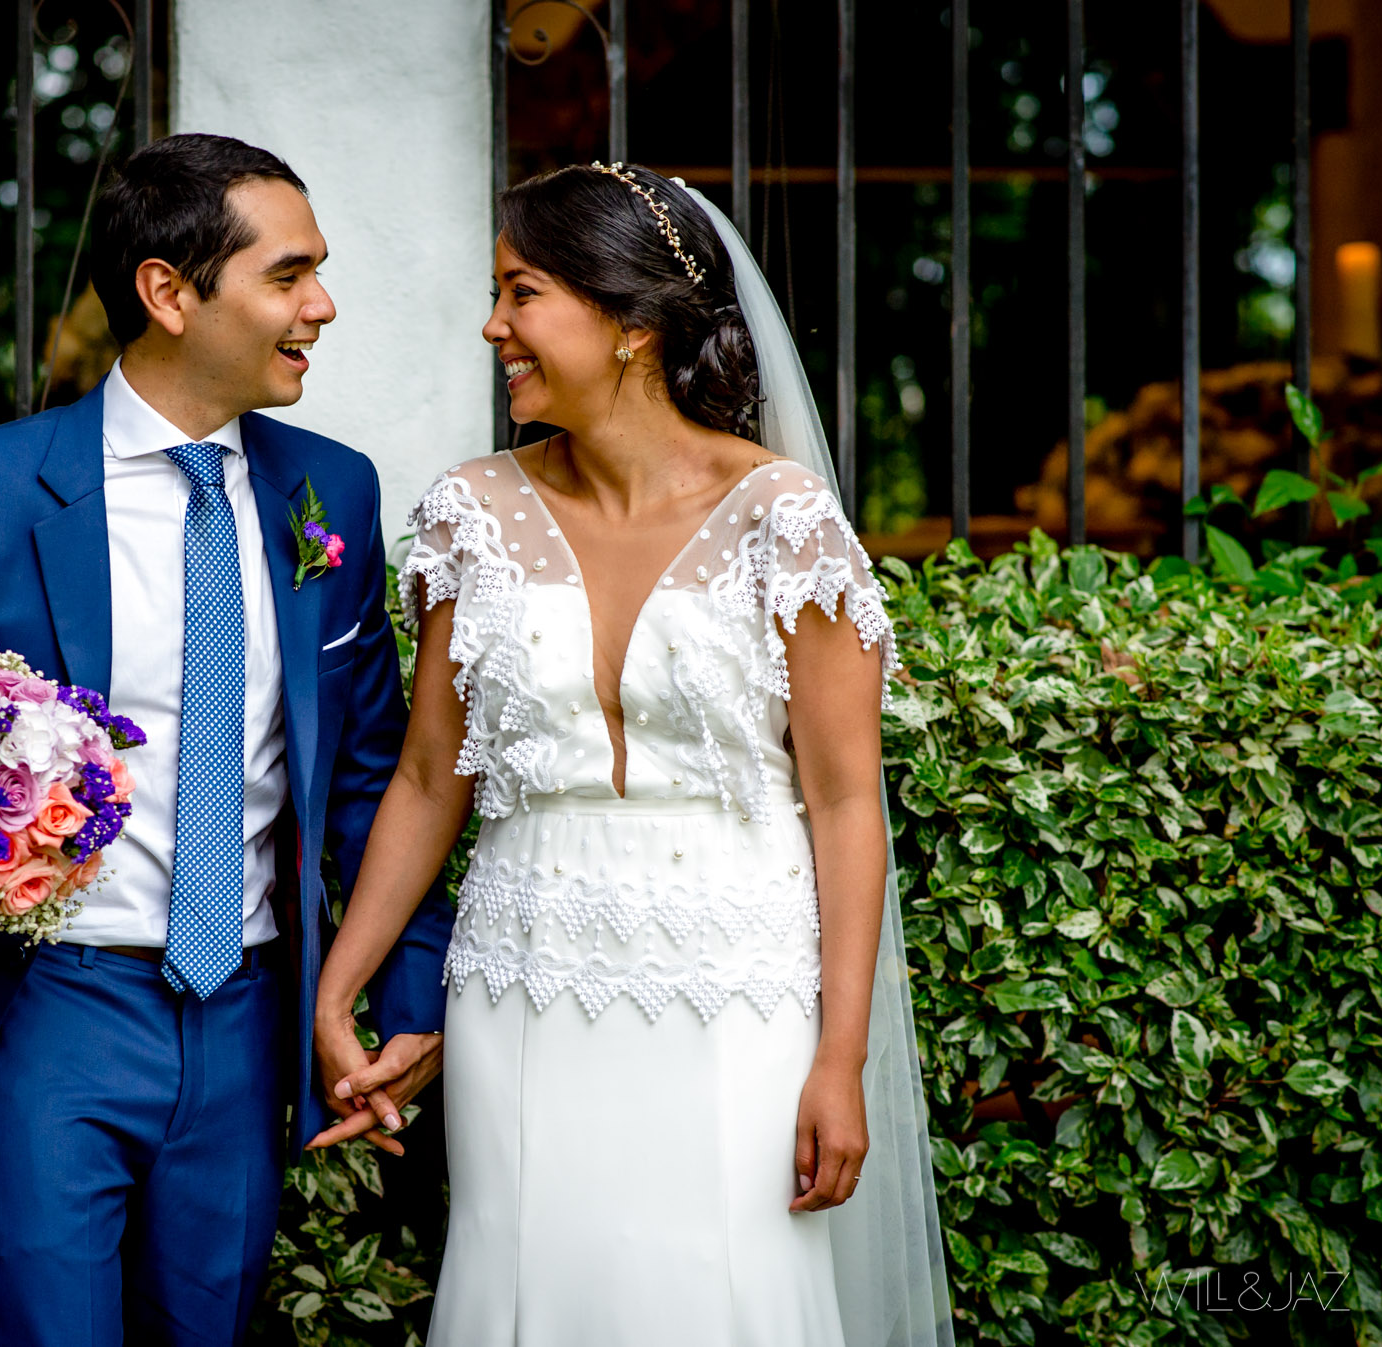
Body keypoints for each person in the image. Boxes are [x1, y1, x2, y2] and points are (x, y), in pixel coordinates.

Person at [0, 132, 452, 1347]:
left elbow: (374, 773)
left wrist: (408, 992)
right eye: (287, 275)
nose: (320, 306)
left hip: (247, 1017)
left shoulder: (332, 493)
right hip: (43, 1011)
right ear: (168, 292)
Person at [309, 163, 955, 1345]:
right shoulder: (468, 513)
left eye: (521, 292)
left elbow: (843, 802)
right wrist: (337, 986)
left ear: (630, 324)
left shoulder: (783, 522)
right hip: (519, 990)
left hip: (738, 995)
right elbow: (428, 777)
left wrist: (839, 1060)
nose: (492, 328)